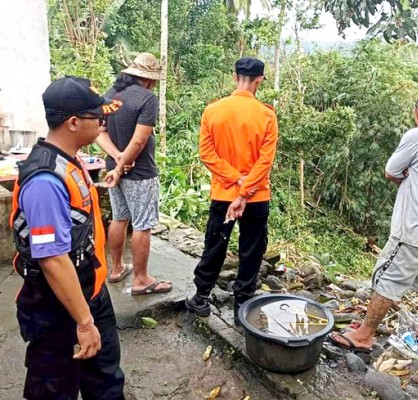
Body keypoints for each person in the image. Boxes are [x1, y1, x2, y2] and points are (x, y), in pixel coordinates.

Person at [10, 76, 125, 399]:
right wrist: (84, 322)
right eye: (97, 118)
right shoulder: (45, 180)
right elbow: (52, 259)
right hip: (58, 308)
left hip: (89, 293)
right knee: (54, 388)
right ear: (73, 123)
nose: (103, 124)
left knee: (106, 383)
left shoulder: (70, 161)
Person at [329, 93, 418, 352]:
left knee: (388, 278)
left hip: (413, 226)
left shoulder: (417, 135)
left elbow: (391, 171)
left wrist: (406, 177)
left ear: (417, 114)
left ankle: (364, 335)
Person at [185, 57, 279, 326]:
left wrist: (235, 181)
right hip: (257, 197)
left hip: (224, 195)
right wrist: (246, 187)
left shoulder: (213, 111)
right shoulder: (266, 116)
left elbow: (207, 154)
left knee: (215, 244)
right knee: (251, 249)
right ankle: (242, 308)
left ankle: (201, 297)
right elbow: (265, 161)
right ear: (260, 80)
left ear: (234, 76)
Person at [97, 52, 172, 295]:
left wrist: (116, 159)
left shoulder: (111, 95)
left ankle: (117, 268)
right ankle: (141, 279)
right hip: (139, 172)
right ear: (149, 80)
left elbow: (99, 132)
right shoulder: (147, 99)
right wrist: (122, 164)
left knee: (119, 218)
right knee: (142, 225)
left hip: (114, 170)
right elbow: (139, 142)